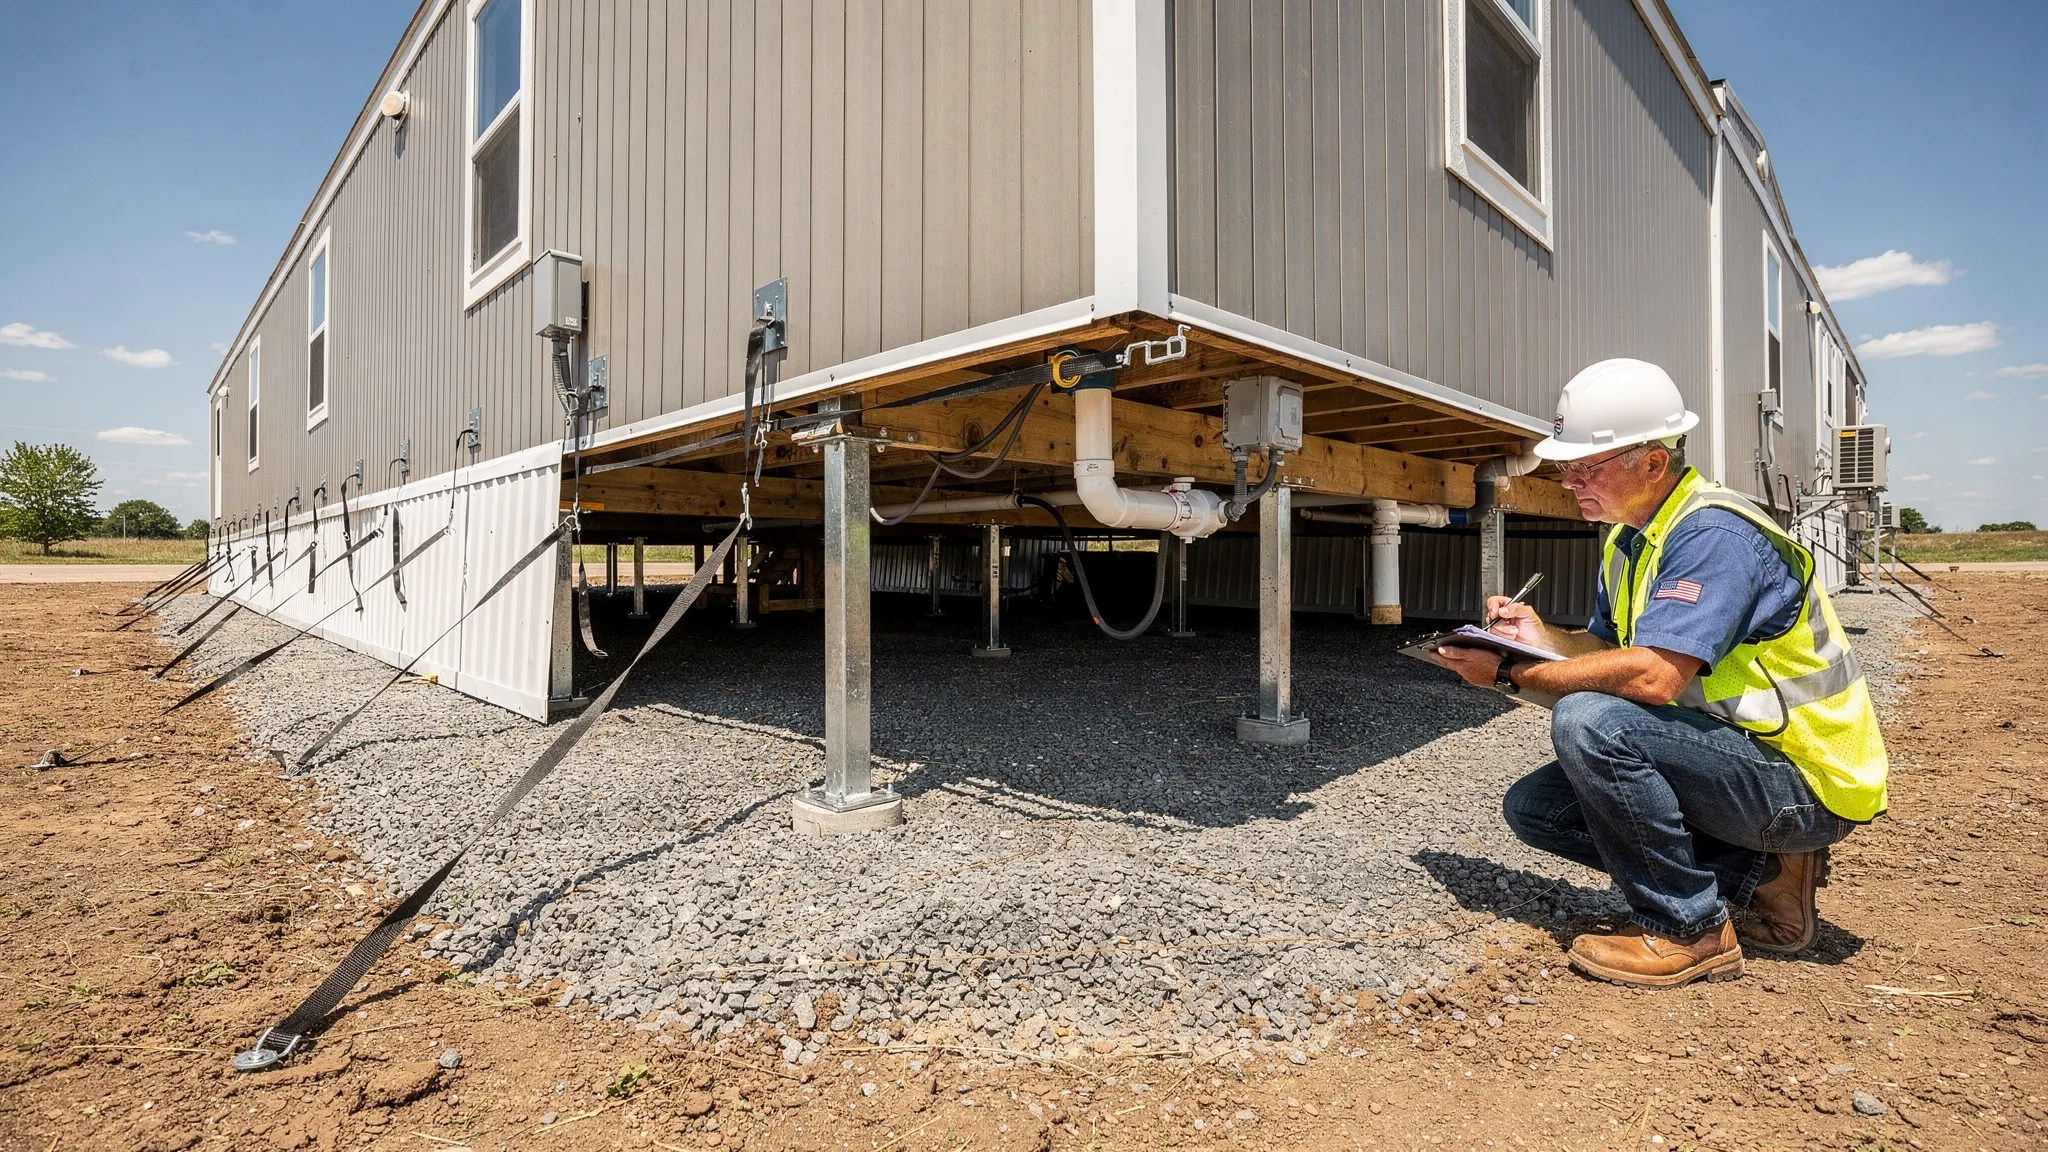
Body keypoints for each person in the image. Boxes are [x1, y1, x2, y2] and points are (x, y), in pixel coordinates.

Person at [1436, 358, 1889, 988]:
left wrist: (1512, 676)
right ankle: (1766, 875)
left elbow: (1652, 679)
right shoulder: (1630, 539)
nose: (1569, 481)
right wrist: (1535, 638)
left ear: (1652, 462)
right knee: (1537, 808)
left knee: (1592, 721)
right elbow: (1602, 648)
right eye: (1566, 467)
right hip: (1739, 763)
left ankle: (1690, 927)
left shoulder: (1714, 535)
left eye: (1585, 467)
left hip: (1805, 781)